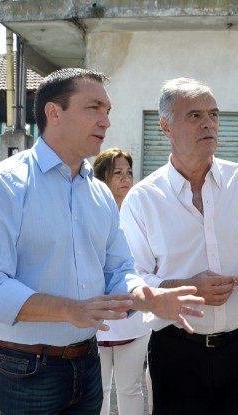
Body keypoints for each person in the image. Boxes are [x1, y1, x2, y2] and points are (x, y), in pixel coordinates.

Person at [0, 68, 205, 415]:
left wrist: (146, 297)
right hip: (24, 368)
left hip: (86, 361)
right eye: (94, 108)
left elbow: (118, 269)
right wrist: (69, 309)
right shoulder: (2, 186)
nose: (105, 121)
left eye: (107, 110)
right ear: (54, 112)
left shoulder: (99, 194)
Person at [120, 78, 238, 415]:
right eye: (194, 115)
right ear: (165, 127)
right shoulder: (143, 199)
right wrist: (187, 287)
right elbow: (129, 278)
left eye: (213, 114)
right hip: (176, 349)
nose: (208, 123)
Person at [92, 148, 151, 415]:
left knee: (130, 387)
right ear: (101, 177)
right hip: (96, 318)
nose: (126, 178)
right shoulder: (89, 215)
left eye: (129, 172)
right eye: (117, 173)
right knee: (98, 389)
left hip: (134, 318)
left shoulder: (141, 215)